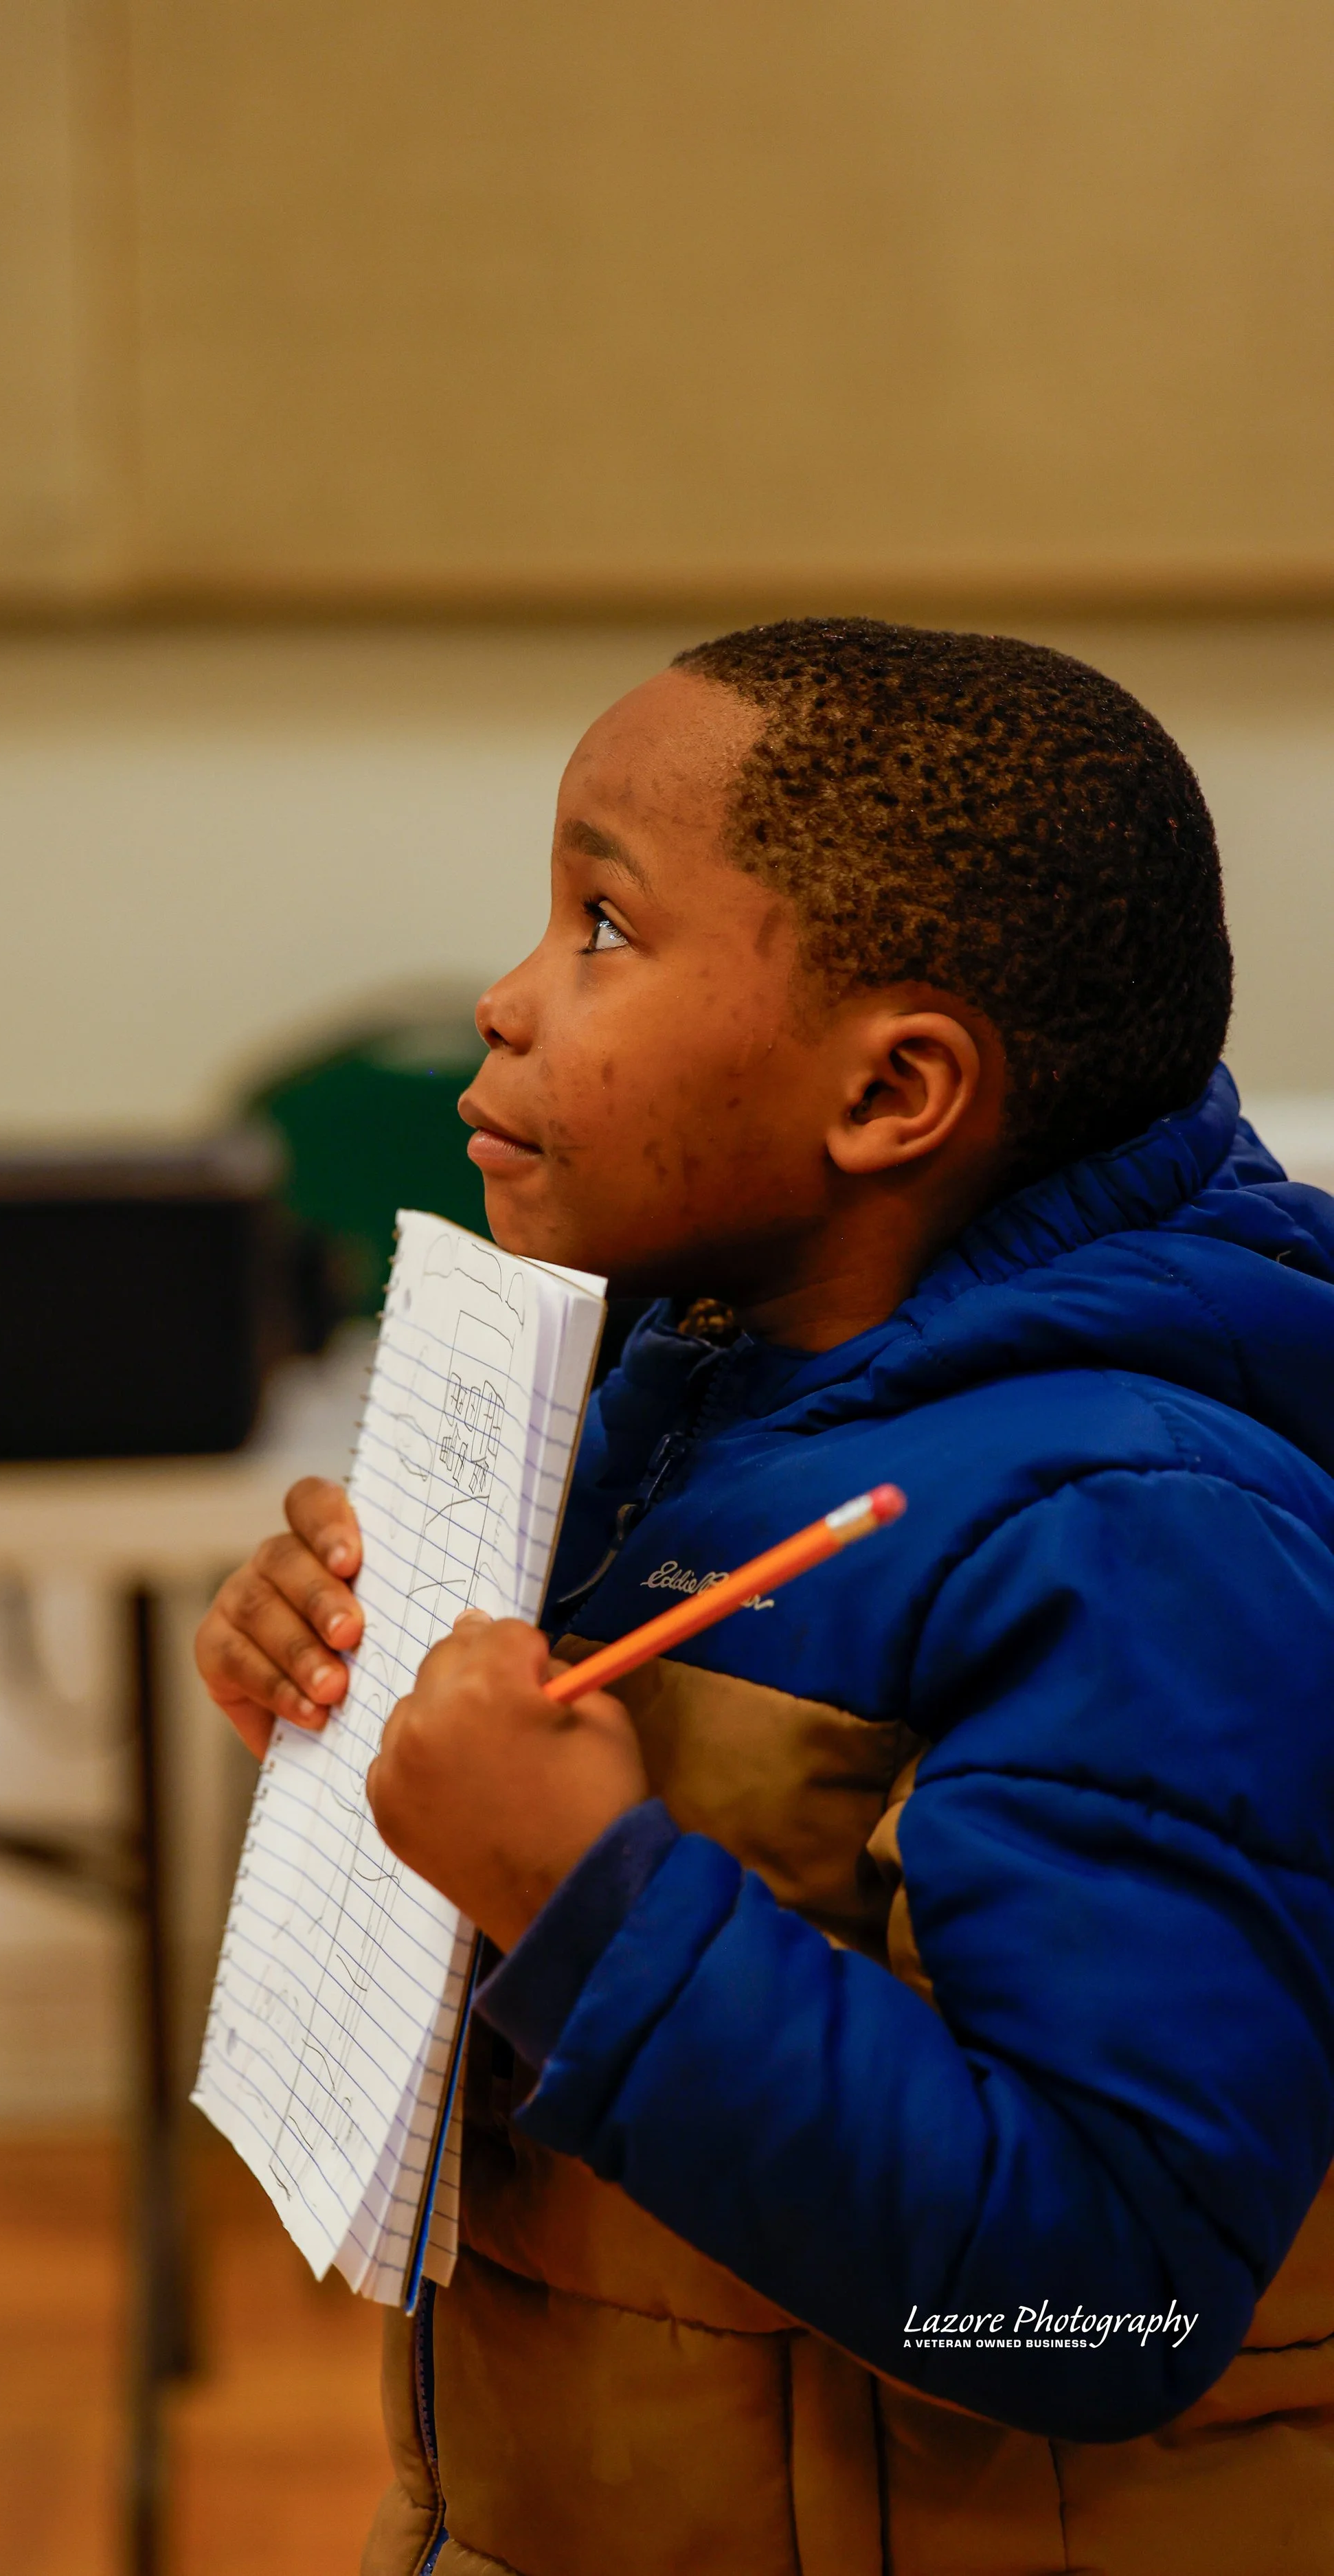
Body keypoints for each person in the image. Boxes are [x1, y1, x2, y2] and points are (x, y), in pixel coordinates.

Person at [196, 619, 1334, 2576]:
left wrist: (587, 1902)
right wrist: (341, 1688)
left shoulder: (1140, 1540)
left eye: (602, 929)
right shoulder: (653, 1405)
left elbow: (1110, 2307)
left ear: (891, 1090)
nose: (504, 994)